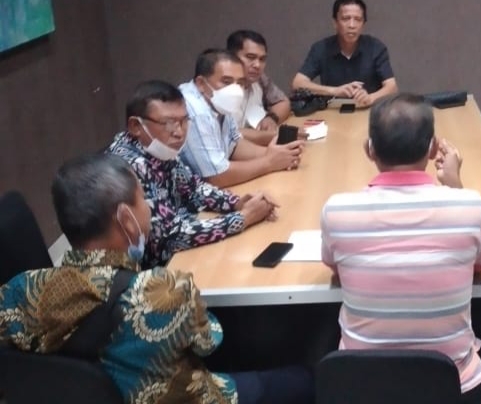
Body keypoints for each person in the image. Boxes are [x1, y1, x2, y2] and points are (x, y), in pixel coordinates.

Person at [0, 153, 313, 404]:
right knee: (303, 379)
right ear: (127, 219)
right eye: (143, 200)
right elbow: (209, 341)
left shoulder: (20, 290)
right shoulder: (166, 290)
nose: (148, 209)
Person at [320, 94, 481, 403]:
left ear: (369, 149)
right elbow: (479, 266)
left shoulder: (336, 210)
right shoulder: (472, 205)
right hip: (453, 388)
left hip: (361, 385)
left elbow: (336, 271)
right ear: (433, 148)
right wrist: (455, 185)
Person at [107, 80, 278, 268]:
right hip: (148, 271)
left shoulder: (158, 149)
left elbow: (194, 189)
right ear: (135, 126)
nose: (179, 132)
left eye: (184, 121)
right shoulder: (127, 166)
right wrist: (243, 218)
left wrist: (237, 203)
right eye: (168, 123)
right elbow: (170, 237)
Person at [179, 49, 304, 187]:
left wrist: (278, 154)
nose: (235, 90)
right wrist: (269, 162)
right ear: (201, 83)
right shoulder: (194, 111)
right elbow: (215, 177)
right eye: (226, 81)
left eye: (240, 83)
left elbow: (235, 144)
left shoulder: (217, 101)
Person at [292, 0, 398, 108]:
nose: (352, 25)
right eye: (346, 19)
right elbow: (297, 83)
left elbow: (392, 87)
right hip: (332, 110)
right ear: (335, 23)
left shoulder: (376, 47)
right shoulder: (321, 48)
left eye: (358, 20)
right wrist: (334, 91)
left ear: (363, 25)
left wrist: (370, 97)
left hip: (368, 110)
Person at [227, 29, 292, 146]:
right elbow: (225, 133)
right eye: (250, 57)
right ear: (231, 57)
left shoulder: (260, 79)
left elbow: (283, 102)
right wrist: (275, 136)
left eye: (262, 59)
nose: (257, 65)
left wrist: (271, 118)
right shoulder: (218, 86)